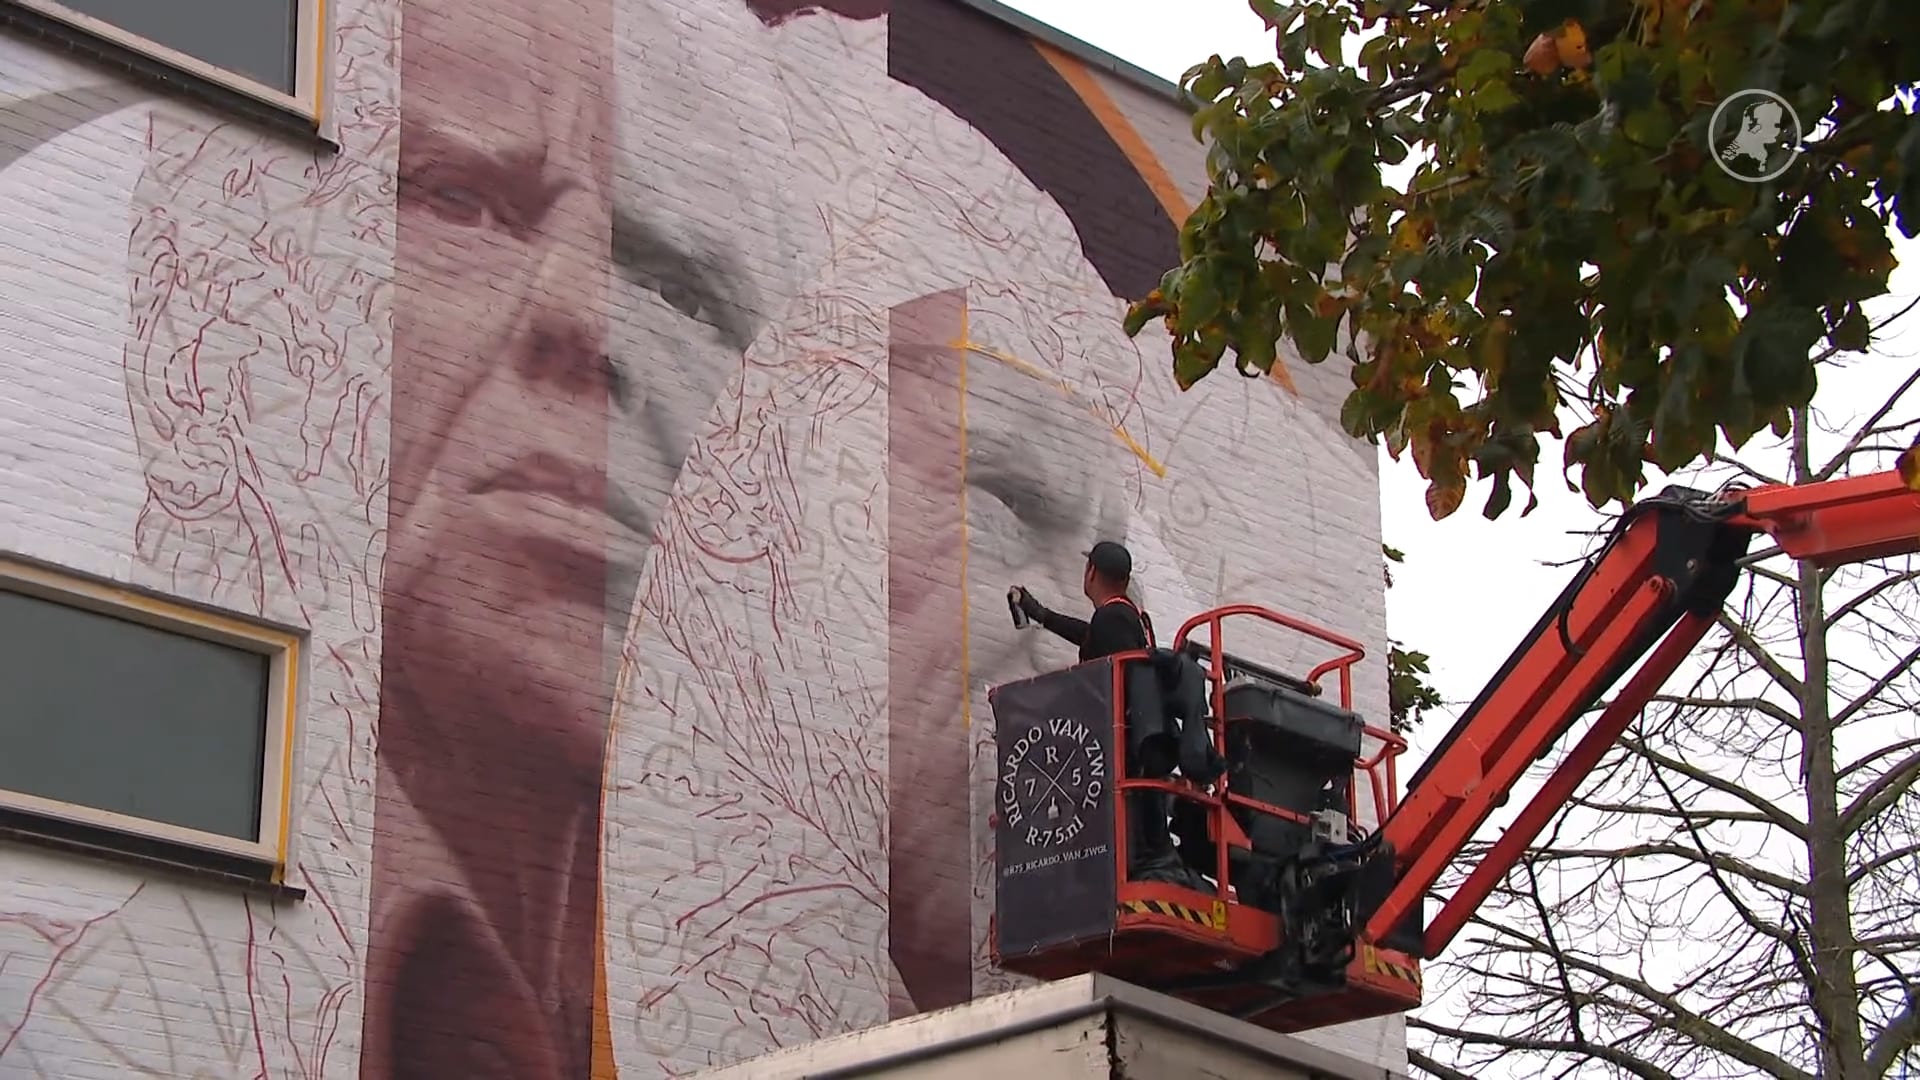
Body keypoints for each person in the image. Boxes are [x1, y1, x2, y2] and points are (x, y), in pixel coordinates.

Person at [1012, 540, 1154, 663]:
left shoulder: (1112, 617)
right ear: (1126, 581)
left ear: (1091, 571)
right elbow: (1088, 634)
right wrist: (1041, 614)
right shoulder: (1122, 614)